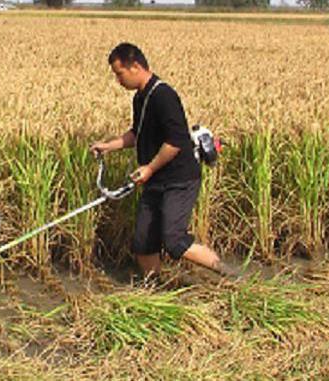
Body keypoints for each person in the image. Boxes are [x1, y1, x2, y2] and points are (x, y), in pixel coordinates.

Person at [91, 42, 238, 281]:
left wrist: (149, 168)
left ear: (136, 66)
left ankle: (229, 273)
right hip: (156, 180)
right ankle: (155, 290)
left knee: (174, 240)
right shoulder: (140, 98)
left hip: (179, 180)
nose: (118, 81)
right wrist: (108, 146)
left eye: (119, 74)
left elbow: (175, 141)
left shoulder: (164, 95)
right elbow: (137, 133)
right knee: (143, 242)